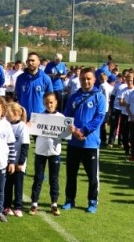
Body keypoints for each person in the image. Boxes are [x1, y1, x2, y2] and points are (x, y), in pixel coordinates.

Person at [63, 68, 106, 214]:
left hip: (90, 143)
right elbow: (67, 117)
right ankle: (69, 199)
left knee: (92, 175)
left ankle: (92, 201)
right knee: (71, 173)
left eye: (88, 78)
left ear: (94, 80)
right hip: (73, 142)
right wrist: (75, 131)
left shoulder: (99, 97)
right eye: (83, 79)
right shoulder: (73, 97)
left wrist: (84, 131)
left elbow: (99, 118)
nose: (85, 81)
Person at [29, 92, 63, 216]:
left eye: (51, 102)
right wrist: (30, 126)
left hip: (55, 152)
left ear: (56, 102)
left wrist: (69, 130)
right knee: (38, 178)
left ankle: (54, 203)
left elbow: (64, 135)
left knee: (54, 179)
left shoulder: (61, 117)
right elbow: (34, 133)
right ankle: (34, 203)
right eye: (47, 103)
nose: (49, 105)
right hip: (40, 152)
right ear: (43, 103)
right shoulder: (39, 117)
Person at [14, 52, 53, 121]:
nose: (30, 63)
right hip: (24, 116)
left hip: (40, 116)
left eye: (33, 60)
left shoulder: (45, 78)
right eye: (28, 61)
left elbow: (50, 98)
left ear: (38, 62)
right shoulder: (20, 78)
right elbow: (18, 95)